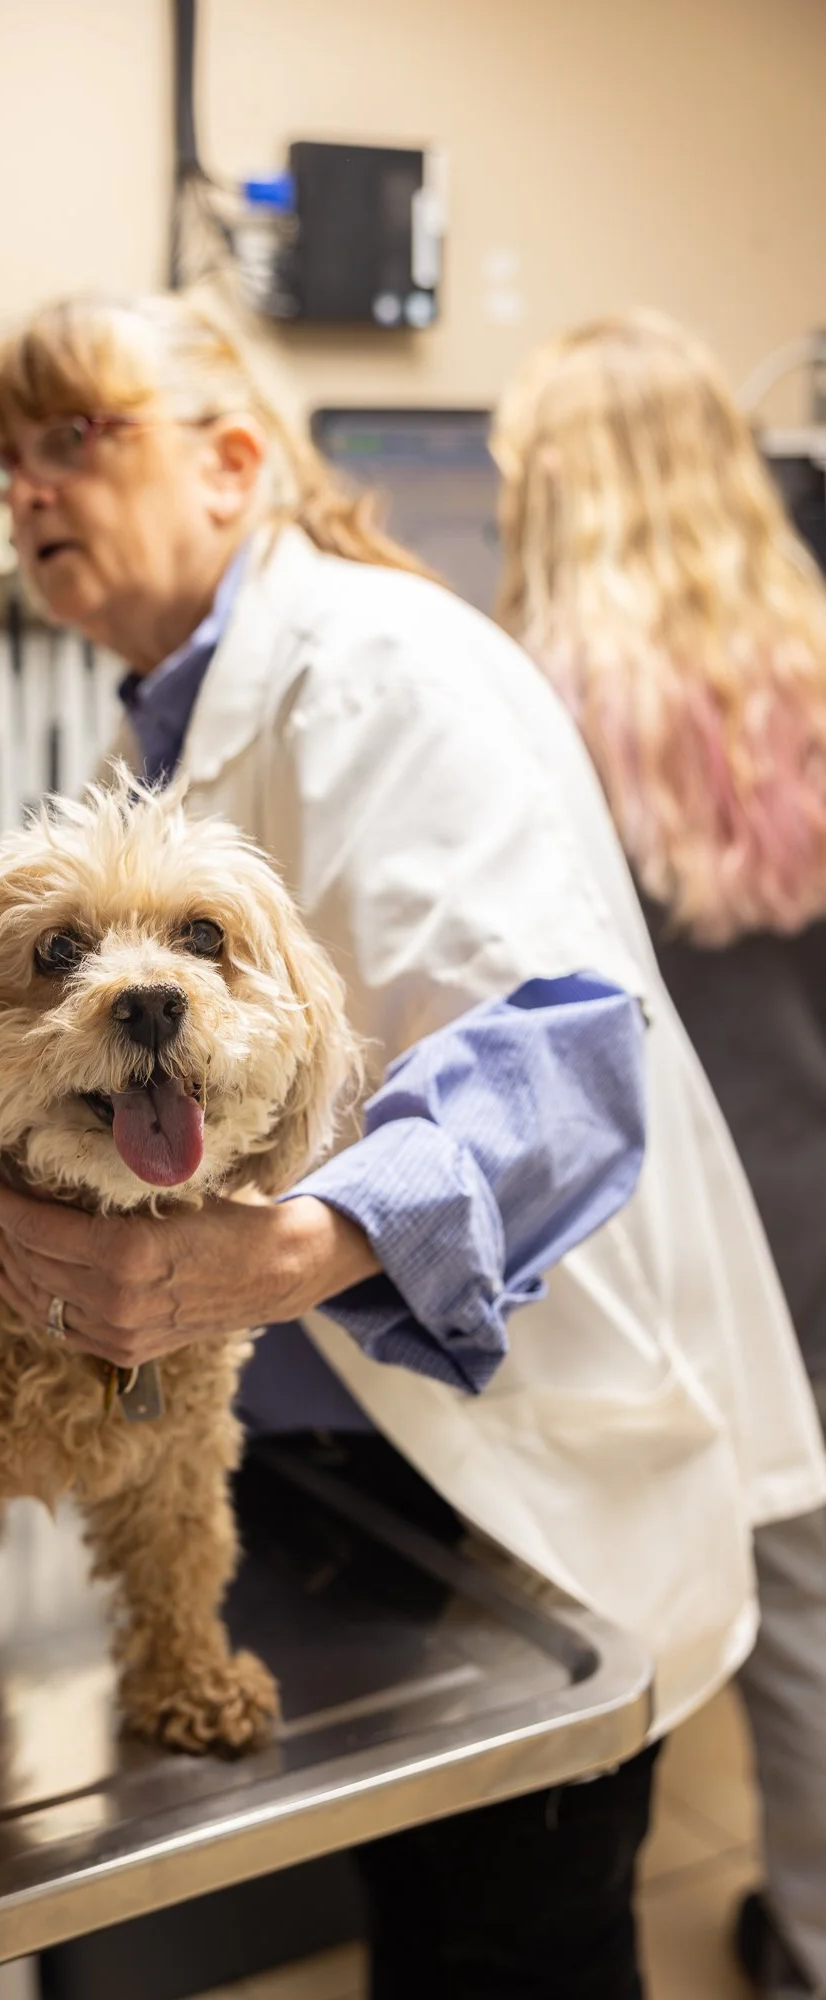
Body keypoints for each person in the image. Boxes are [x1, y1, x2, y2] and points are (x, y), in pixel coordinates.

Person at [0, 292, 826, 2000]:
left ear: (229, 460)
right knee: (432, 1926)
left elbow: (555, 1057)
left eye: (77, 437)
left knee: (512, 1947)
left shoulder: (371, 669)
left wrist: (255, 1262)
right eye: (3, 462)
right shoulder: (173, 712)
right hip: (363, 1457)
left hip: (522, 1461)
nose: (30, 490)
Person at [493, 308, 826, 2000]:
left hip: (671, 1241)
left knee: (615, 1604)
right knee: (815, 1607)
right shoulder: (811, 658)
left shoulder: (527, 717)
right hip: (816, 1196)